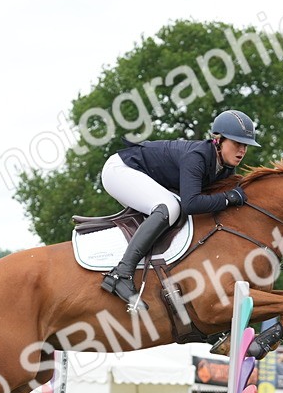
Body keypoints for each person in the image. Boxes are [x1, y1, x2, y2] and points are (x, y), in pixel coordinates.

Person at [98, 109, 259, 308]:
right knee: (170, 207)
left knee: (176, 213)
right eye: (237, 144)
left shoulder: (225, 168)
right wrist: (228, 198)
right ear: (218, 140)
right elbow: (191, 204)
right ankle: (120, 274)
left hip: (142, 176)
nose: (242, 150)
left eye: (245, 146)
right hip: (120, 170)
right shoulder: (197, 157)